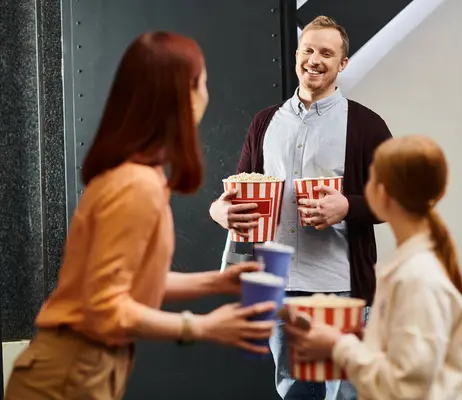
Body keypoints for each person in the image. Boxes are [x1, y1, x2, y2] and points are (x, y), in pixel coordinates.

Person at [4, 31, 276, 400]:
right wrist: (203, 327)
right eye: (204, 83)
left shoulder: (136, 177)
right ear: (184, 95)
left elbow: (132, 283)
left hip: (83, 369)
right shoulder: (135, 185)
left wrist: (220, 282)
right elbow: (107, 306)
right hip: (68, 376)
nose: (207, 96)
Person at [210, 15, 392, 400]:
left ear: (342, 63)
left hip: (341, 285)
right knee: (292, 391)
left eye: (327, 53)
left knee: (345, 393)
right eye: (308, 50)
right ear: (297, 55)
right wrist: (220, 211)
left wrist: (347, 206)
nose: (315, 59)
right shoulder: (265, 123)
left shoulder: (367, 125)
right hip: (279, 282)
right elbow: (240, 190)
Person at [283, 135, 462, 399]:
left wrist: (338, 345)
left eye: (370, 178)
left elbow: (406, 386)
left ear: (382, 193)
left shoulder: (415, 278)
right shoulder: (413, 267)